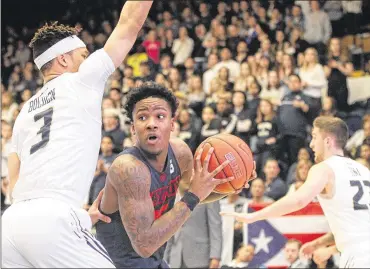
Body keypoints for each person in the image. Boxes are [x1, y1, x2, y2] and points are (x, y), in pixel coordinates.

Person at [2, 1, 154, 267]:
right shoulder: (81, 80)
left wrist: (80, 217)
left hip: (11, 225)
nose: (88, 59)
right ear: (63, 59)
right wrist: (63, 214)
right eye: (83, 55)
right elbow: (130, 25)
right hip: (53, 220)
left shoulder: (23, 113)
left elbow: (13, 186)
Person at [95, 82, 254, 268]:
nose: (151, 124)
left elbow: (195, 196)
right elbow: (145, 245)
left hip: (152, 260)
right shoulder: (128, 168)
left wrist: (232, 184)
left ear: (171, 124)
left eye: (160, 116)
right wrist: (194, 195)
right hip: (116, 263)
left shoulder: (180, 152)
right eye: (142, 117)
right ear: (132, 129)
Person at [221, 116, 370, 268]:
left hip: (357, 257)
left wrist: (255, 216)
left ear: (327, 142)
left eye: (314, 137)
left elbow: (298, 200)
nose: (311, 144)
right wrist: (319, 244)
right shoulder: (363, 170)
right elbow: (357, 226)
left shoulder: (324, 168)